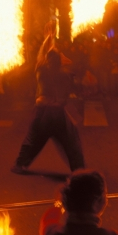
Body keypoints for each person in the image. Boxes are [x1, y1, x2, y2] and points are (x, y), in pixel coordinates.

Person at [11, 24, 85, 174]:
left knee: (33, 139)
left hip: (42, 110)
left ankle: (20, 164)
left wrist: (47, 39)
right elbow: (64, 61)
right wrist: (52, 44)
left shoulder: (42, 70)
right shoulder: (66, 74)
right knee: (70, 140)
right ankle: (79, 169)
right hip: (57, 112)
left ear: (47, 60)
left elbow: (42, 55)